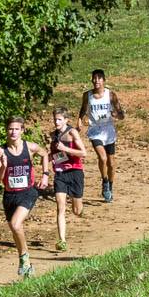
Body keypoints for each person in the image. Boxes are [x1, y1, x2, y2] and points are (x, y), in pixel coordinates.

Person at [0, 117, 50, 278]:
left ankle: (24, 258)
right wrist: (3, 166)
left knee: (15, 224)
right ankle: (25, 261)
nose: (13, 132)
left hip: (28, 192)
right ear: (6, 130)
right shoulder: (0, 150)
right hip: (10, 195)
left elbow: (45, 154)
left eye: (16, 129)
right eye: (10, 129)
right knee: (15, 228)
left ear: (22, 131)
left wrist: (45, 175)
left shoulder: (30, 147)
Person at [79, 68, 125, 203]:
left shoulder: (111, 95)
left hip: (108, 130)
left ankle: (110, 184)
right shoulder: (87, 95)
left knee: (111, 163)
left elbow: (121, 114)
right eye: (94, 78)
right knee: (102, 158)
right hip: (95, 131)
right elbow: (83, 108)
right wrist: (79, 120)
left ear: (104, 80)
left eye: (99, 78)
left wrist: (116, 115)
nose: (96, 80)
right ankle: (104, 181)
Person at [49, 107, 86, 251]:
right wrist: (50, 159)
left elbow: (83, 153)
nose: (56, 122)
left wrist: (65, 149)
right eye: (55, 119)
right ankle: (62, 240)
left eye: (59, 119)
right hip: (60, 175)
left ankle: (79, 208)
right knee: (60, 207)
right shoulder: (53, 135)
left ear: (66, 120)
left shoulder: (72, 133)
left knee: (76, 210)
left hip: (75, 172)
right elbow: (54, 155)